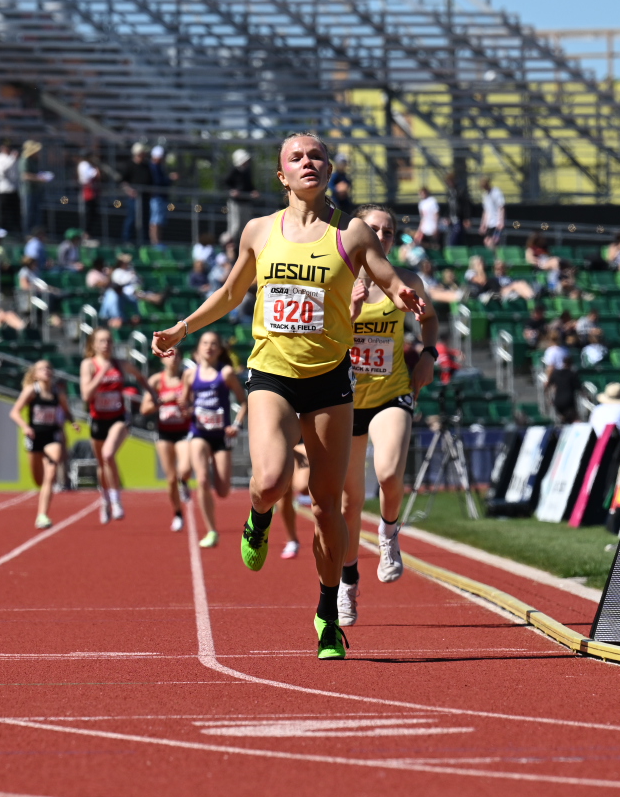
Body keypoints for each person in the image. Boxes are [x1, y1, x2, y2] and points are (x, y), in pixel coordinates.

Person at [151, 132, 423, 661]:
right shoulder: (258, 231)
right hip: (271, 373)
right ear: (282, 176)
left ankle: (326, 614)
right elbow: (231, 294)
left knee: (327, 510)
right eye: (296, 157)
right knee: (271, 479)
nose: (308, 163)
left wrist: (402, 293)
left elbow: (388, 278)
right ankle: (258, 515)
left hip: (329, 381)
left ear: (330, 170)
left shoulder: (353, 232)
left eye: (316, 156)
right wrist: (181, 329)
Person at [338, 204, 437, 623]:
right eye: (372, 228)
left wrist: (428, 354)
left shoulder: (406, 281)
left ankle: (389, 531)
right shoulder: (336, 280)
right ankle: (346, 582)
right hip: (342, 400)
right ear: (356, 232)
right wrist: (352, 312)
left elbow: (429, 319)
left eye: (389, 232)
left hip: (390, 392)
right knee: (348, 501)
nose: (380, 236)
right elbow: (315, 340)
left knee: (389, 473)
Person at [186, 331, 248, 549]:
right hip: (199, 433)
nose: (209, 347)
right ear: (199, 348)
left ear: (220, 349)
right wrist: (185, 409)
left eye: (213, 343)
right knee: (202, 480)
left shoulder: (227, 373)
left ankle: (212, 470)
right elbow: (185, 404)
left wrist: (236, 425)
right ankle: (212, 530)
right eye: (205, 343)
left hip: (221, 435)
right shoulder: (191, 375)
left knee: (223, 491)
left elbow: (244, 402)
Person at [81, 327, 147, 524]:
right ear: (94, 344)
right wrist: (102, 374)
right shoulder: (88, 365)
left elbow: (140, 376)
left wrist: (151, 394)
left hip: (118, 418)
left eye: (109, 340)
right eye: (101, 341)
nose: (106, 344)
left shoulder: (121, 363)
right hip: (98, 420)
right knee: (102, 464)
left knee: (109, 455)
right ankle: (105, 500)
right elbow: (86, 395)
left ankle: (116, 500)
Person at [9, 359, 71, 530]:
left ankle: (42, 515)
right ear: (35, 374)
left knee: (51, 473)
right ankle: (43, 502)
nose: (46, 371)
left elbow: (66, 410)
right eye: (42, 369)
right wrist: (25, 427)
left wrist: (72, 422)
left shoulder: (58, 392)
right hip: (34, 437)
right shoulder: (31, 391)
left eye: (49, 368)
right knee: (38, 480)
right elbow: (14, 412)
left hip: (52, 436)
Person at [142, 345, 194, 532]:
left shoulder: (187, 379)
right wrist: (165, 399)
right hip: (164, 433)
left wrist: (187, 409)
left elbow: (196, 405)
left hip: (184, 431)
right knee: (170, 479)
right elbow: (144, 408)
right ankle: (177, 513)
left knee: (185, 468)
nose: (173, 359)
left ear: (180, 359)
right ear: (162, 359)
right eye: (169, 355)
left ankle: (185, 482)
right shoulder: (156, 381)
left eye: (177, 355)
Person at [120, 143, 154, 244]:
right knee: (132, 218)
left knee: (145, 219)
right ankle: (127, 240)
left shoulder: (146, 165)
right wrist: (129, 190)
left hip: (145, 197)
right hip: (134, 198)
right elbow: (123, 182)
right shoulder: (129, 165)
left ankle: (144, 241)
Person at [223, 149, 258, 245]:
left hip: (245, 202)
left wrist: (253, 192)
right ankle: (229, 245)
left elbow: (249, 185)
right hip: (235, 203)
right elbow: (226, 184)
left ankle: (244, 245)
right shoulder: (233, 171)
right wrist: (232, 191)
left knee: (245, 225)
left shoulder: (247, 172)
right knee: (235, 225)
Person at [0, 140, 20, 233]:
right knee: (4, 212)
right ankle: (2, 231)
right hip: (3, 190)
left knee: (15, 212)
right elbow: (2, 171)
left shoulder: (13, 158)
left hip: (14, 189)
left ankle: (15, 231)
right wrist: (12, 158)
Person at [147, 145, 173, 246]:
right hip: (156, 197)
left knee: (159, 221)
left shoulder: (159, 167)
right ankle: (155, 242)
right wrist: (169, 179)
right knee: (155, 221)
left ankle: (158, 241)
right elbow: (158, 181)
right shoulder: (153, 167)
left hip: (161, 198)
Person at [77, 153, 101, 240]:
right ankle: (86, 234)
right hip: (88, 192)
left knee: (93, 214)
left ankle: (88, 233)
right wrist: (96, 169)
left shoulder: (87, 165)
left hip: (92, 192)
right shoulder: (84, 165)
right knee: (89, 214)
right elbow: (92, 175)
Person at [479, 175, 505, 248]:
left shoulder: (496, 192)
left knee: (493, 242)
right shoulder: (485, 195)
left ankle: (497, 258)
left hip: (496, 223)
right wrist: (483, 224)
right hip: (489, 223)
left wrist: (501, 221)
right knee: (486, 241)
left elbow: (501, 207)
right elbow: (486, 211)